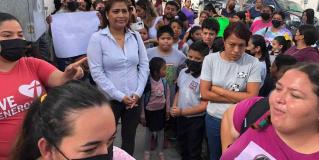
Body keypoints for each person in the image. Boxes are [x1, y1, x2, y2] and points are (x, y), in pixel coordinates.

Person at [0, 12, 85, 159]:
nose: (16, 40)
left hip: (44, 153)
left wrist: (69, 74)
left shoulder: (32, 64)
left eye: (20, 35)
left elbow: (59, 78)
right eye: (7, 35)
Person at [11, 81, 135, 160]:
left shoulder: (119, 156)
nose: (106, 153)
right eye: (90, 149)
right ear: (47, 149)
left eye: (110, 141)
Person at [87, 0, 149, 155]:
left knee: (129, 138)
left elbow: (144, 64)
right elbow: (97, 73)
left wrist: (138, 92)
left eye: (124, 11)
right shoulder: (97, 38)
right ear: (107, 14)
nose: (121, 15)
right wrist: (120, 96)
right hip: (109, 100)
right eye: (116, 11)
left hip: (134, 99)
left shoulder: (135, 36)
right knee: (106, 140)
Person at [220, 63, 319, 159]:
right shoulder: (255, 109)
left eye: (295, 95)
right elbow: (229, 117)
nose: (278, 98)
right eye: (278, 88)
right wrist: (229, 152)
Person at [200, 22, 261, 160]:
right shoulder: (211, 60)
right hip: (215, 118)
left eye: (241, 45)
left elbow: (252, 97)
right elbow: (204, 93)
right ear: (223, 41)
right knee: (215, 155)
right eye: (231, 44)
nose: (236, 50)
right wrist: (240, 96)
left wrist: (218, 91)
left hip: (239, 120)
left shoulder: (253, 63)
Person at [170, 41, 210, 160]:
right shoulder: (183, 72)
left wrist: (182, 111)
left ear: (204, 60)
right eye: (190, 56)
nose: (192, 60)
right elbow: (179, 91)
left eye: (197, 58)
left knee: (193, 150)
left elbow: (204, 105)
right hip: (180, 118)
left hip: (196, 120)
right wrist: (174, 106)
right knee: (182, 146)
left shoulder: (205, 79)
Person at [147, 25, 186, 106]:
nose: (166, 41)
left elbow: (183, 74)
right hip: (151, 98)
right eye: (163, 38)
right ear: (157, 39)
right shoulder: (148, 53)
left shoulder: (180, 56)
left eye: (168, 38)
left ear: (173, 39)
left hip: (170, 95)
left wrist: (177, 78)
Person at [141, 57, 170, 160]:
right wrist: (143, 115)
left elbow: (167, 96)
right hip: (149, 112)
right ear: (156, 72)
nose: (165, 71)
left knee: (161, 132)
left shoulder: (164, 82)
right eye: (164, 69)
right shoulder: (147, 83)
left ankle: (160, 152)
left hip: (160, 111)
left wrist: (167, 111)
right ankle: (146, 151)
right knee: (149, 133)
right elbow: (143, 99)